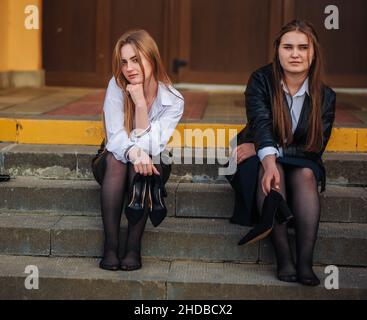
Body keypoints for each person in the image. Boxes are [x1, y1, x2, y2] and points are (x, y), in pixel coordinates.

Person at [227, 20, 336, 286]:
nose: (295, 54)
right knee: (272, 171)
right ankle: (284, 258)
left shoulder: (327, 96)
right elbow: (261, 124)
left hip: (301, 158)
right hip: (258, 159)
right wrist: (267, 155)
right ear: (278, 50)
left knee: (307, 175)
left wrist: (267, 149)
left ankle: (305, 262)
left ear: (314, 53)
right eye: (288, 47)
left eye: (302, 47)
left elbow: (313, 147)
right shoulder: (260, 81)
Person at [97, 29, 184, 271]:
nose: (129, 68)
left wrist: (141, 106)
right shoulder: (116, 86)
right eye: (124, 62)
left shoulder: (173, 100)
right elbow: (114, 137)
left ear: (152, 58)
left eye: (136, 59)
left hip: (153, 164)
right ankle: (111, 246)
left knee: (146, 165)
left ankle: (133, 247)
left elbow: (154, 145)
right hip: (114, 161)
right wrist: (135, 153)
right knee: (117, 161)